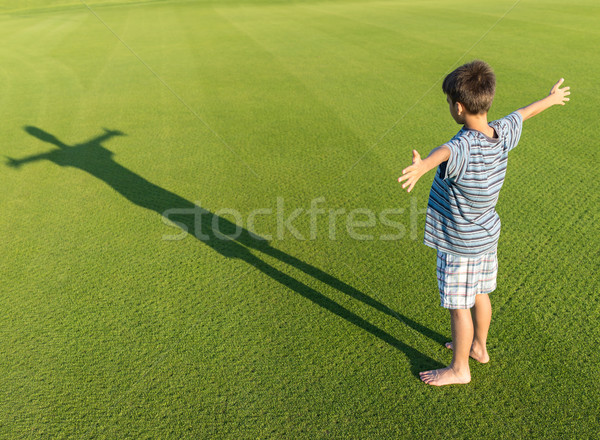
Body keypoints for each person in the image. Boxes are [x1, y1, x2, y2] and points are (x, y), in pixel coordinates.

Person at [398, 60, 570, 386]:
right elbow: (524, 113)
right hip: (486, 236)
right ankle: (479, 347)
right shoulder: (501, 132)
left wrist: (423, 167)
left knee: (458, 307)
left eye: (449, 102)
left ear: (459, 107)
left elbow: (445, 151)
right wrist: (551, 98)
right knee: (479, 294)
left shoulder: (464, 146)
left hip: (459, 243)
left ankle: (459, 369)